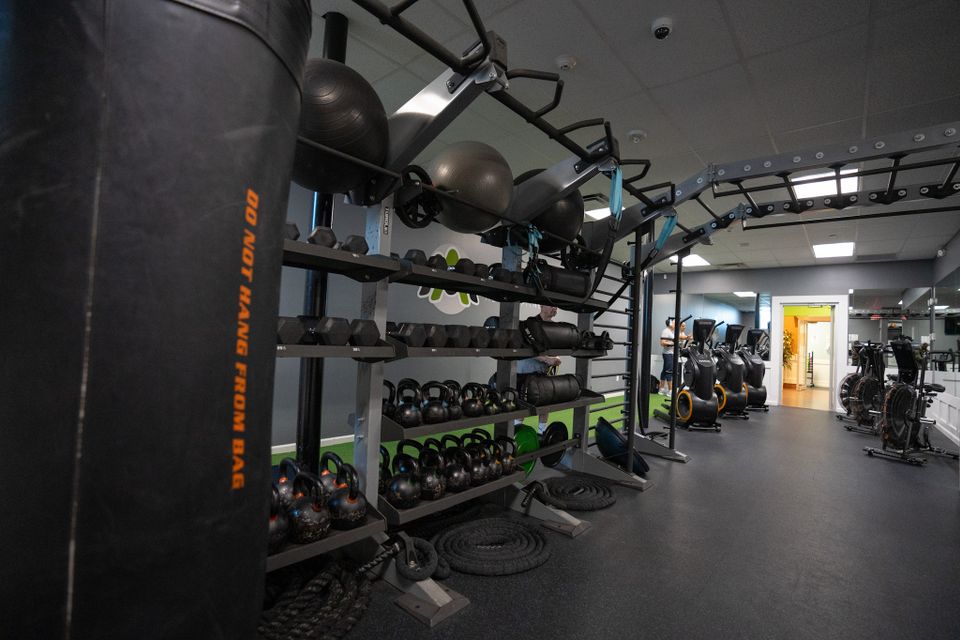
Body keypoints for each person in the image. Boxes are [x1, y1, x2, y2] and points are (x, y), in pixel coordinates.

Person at [516, 305, 561, 433]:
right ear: (541, 306)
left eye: (556, 306)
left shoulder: (556, 328)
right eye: (551, 306)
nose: (555, 308)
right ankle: (516, 432)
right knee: (522, 406)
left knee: (545, 404)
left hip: (542, 373)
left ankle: (542, 432)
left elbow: (556, 347)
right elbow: (525, 348)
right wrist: (546, 359)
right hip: (524, 373)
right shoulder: (529, 325)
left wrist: (556, 357)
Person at [660, 317, 676, 396]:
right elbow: (662, 343)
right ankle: (670, 391)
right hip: (667, 354)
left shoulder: (671, 332)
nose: (675, 325)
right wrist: (674, 343)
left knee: (664, 371)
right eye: (673, 323)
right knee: (669, 371)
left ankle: (661, 389)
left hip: (670, 353)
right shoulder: (665, 331)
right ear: (670, 324)